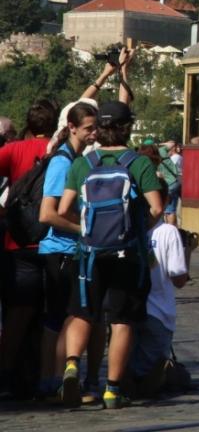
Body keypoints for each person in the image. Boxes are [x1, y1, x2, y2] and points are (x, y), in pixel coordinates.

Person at [57, 100, 164, 409]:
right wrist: (137, 229)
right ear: (127, 128)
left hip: (89, 254)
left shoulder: (83, 164)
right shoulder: (139, 163)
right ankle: (112, 390)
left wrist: (87, 229)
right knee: (121, 320)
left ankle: (72, 365)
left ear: (99, 129)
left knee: (82, 313)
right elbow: (157, 208)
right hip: (127, 255)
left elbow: (62, 210)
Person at [37, 103, 105, 403]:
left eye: (96, 127)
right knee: (60, 318)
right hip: (60, 251)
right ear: (72, 128)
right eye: (89, 128)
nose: (94, 134)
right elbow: (47, 214)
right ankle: (52, 381)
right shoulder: (62, 163)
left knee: (67, 316)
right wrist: (84, 229)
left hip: (70, 250)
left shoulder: (77, 159)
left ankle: (57, 380)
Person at [0, 98, 59, 397]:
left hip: (18, 240)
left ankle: (6, 374)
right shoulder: (61, 152)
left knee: (17, 315)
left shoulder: (12, 150)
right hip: (54, 239)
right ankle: (46, 375)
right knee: (53, 315)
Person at [128, 215, 188, 397]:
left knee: (128, 366)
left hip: (127, 311)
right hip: (158, 314)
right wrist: (187, 251)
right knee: (149, 375)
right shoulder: (168, 232)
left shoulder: (126, 225)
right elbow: (179, 279)